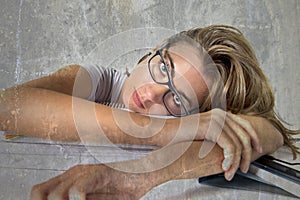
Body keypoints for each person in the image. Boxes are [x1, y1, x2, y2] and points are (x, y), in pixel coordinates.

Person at [0, 25, 298, 199]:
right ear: (153, 50)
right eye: (164, 66)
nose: (152, 92)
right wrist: (170, 129)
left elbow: (267, 133)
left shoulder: (196, 134)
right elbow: (7, 107)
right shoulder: (100, 82)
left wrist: (134, 178)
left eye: (177, 100)